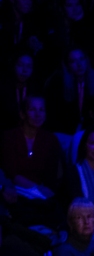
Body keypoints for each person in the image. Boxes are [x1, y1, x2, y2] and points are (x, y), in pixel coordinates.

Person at [1, 95, 65, 224]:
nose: (37, 114)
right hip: (14, 192)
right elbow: (12, 173)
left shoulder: (50, 140)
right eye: (32, 109)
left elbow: (51, 177)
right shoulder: (9, 137)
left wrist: (44, 193)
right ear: (22, 114)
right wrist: (37, 189)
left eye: (41, 110)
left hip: (41, 196)